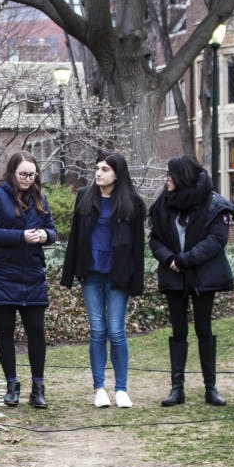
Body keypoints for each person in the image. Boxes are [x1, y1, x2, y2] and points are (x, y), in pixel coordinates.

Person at [148, 156, 234, 407]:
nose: (166, 179)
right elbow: (155, 239)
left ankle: (211, 388)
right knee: (178, 330)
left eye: (169, 174)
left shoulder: (213, 203)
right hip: (174, 276)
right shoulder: (163, 203)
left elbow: (216, 240)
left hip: (202, 276)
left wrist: (185, 260)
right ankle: (177, 389)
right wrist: (169, 259)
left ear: (182, 176)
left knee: (203, 328)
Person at [61, 153, 145, 408]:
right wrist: (68, 275)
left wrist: (136, 283)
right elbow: (75, 237)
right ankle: (99, 388)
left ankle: (121, 389)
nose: (98, 173)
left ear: (117, 174)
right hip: (91, 272)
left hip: (119, 273)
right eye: (97, 168)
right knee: (97, 330)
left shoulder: (132, 203)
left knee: (116, 331)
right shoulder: (85, 196)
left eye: (105, 169)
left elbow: (138, 247)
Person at [0, 152, 57, 408]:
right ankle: (11, 384)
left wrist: (45, 235)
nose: (28, 179)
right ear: (12, 172)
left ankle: (38, 386)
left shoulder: (39, 197)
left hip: (31, 274)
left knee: (36, 331)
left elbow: (52, 229)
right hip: (0, 274)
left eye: (32, 175)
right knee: (5, 331)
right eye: (23, 174)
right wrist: (21, 236)